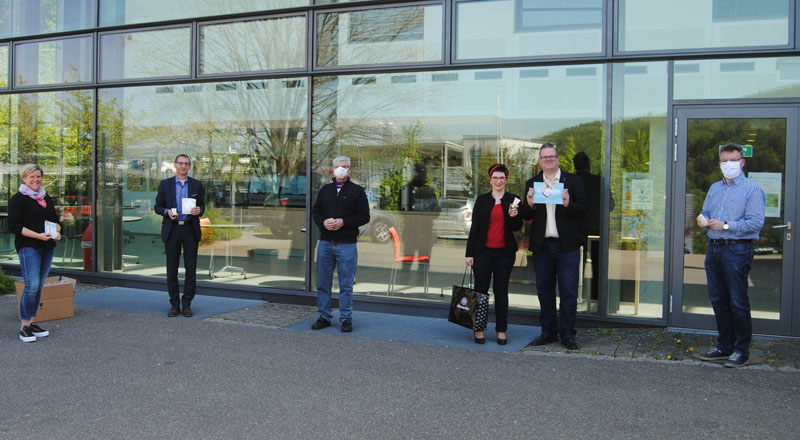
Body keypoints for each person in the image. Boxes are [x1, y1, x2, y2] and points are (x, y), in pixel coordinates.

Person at [696, 143, 765, 368]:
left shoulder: (751, 189)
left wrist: (726, 226)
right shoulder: (715, 188)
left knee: (737, 301)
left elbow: (756, 223)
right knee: (718, 299)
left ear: (742, 162)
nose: (729, 165)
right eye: (724, 161)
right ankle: (724, 345)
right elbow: (706, 211)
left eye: (733, 161)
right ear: (719, 163)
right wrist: (702, 219)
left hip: (737, 249)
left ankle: (741, 349)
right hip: (714, 248)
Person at [520, 143, 587, 350]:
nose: (548, 160)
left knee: (568, 292)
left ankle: (567, 334)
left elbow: (584, 209)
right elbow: (526, 215)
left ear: (558, 159)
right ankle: (548, 332)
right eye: (544, 157)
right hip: (543, 246)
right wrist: (529, 204)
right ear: (539, 161)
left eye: (552, 156)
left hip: (566, 246)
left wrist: (568, 205)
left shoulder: (573, 181)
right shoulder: (533, 183)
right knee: (544, 290)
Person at [311, 156, 370, 332]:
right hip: (326, 243)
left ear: (349, 170)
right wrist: (323, 223)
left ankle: (346, 318)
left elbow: (364, 216)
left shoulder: (357, 191)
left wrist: (343, 222)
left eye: (344, 167)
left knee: (346, 284)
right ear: (332, 170)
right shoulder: (325, 190)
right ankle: (324, 316)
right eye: (337, 167)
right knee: (323, 282)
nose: (340, 170)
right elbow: (316, 212)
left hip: (347, 244)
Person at [465, 164, 522, 345]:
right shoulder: (482, 200)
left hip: (504, 254)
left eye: (502, 178)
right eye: (495, 178)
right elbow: (474, 229)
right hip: (482, 253)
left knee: (501, 291)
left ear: (506, 180)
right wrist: (469, 253)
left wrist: (514, 216)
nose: (498, 181)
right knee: (480, 291)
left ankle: (501, 329)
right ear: (490, 179)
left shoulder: (514, 200)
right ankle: (479, 328)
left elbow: (517, 228)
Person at [8, 164, 61, 342]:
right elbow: (14, 226)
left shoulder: (45, 198)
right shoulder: (18, 199)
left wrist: (57, 232)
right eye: (31, 177)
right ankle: (24, 326)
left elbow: (55, 220)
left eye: (38, 176)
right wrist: (38, 235)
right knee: (31, 287)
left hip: (47, 247)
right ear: (24, 178)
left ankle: (32, 322)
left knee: (38, 286)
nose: (36, 180)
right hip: (28, 246)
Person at [154, 154, 206, 318]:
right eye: (180, 163)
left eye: (186, 164)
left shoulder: (197, 185)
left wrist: (200, 210)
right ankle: (174, 305)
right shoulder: (165, 184)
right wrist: (166, 211)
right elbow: (157, 206)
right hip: (173, 229)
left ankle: (187, 304)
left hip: (190, 229)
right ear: (175, 165)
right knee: (172, 270)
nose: (183, 166)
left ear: (190, 166)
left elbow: (202, 205)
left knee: (191, 270)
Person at [572, 152, 614, 302]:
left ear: (574, 165)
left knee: (575, 264)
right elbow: (611, 205)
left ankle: (576, 295)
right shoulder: (600, 182)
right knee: (598, 264)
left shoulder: (570, 181)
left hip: (576, 229)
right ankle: (596, 296)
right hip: (597, 229)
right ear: (589, 165)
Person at [400, 162, 441, 280]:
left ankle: (421, 287)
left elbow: (437, 211)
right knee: (407, 261)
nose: (421, 174)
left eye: (422, 172)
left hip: (424, 232)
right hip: (411, 232)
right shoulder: (406, 189)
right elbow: (402, 210)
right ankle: (403, 284)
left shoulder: (429, 191)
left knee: (423, 264)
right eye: (419, 172)